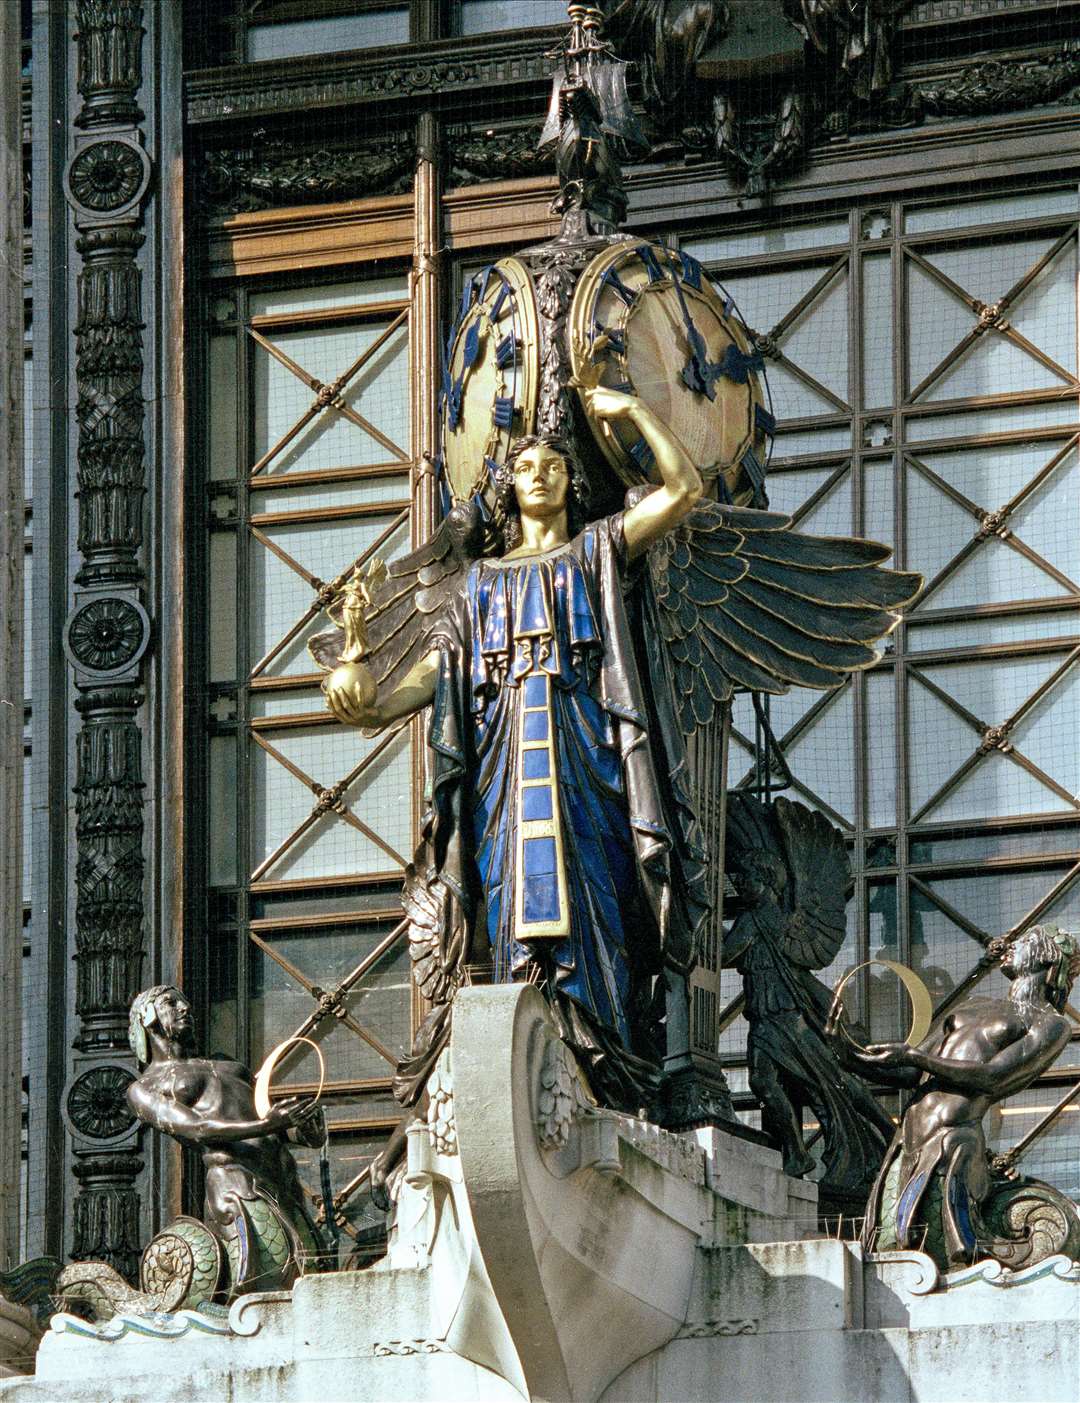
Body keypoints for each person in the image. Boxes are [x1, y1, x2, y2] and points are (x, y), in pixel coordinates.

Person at [325, 387, 708, 1112]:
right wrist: (360, 682)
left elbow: (685, 489)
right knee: (512, 927)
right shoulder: (474, 592)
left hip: (586, 776)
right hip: (503, 787)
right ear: (508, 491)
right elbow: (412, 689)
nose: (539, 473)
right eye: (525, 465)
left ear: (571, 484)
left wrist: (630, 411)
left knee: (596, 913)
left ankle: (605, 1074)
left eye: (553, 465)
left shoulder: (594, 552)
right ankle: (535, 1082)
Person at [827, 924, 1080, 1268]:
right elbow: (909, 1072)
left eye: (1021, 943)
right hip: (906, 1147)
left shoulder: (1051, 1024)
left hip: (951, 1147)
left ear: (1045, 957)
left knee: (935, 1256)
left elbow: (995, 1079)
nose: (1007, 946)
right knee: (887, 1249)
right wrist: (848, 1054)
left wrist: (915, 1056)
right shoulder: (975, 1003)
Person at [127, 984, 328, 1292]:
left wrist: (302, 1127)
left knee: (310, 1274)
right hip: (237, 1188)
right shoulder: (145, 1087)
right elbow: (199, 1128)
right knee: (269, 1282)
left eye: (185, 1003)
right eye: (171, 1003)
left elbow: (267, 1122)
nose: (185, 1009)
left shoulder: (230, 1066)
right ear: (148, 1017)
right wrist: (268, 1125)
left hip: (283, 1183)